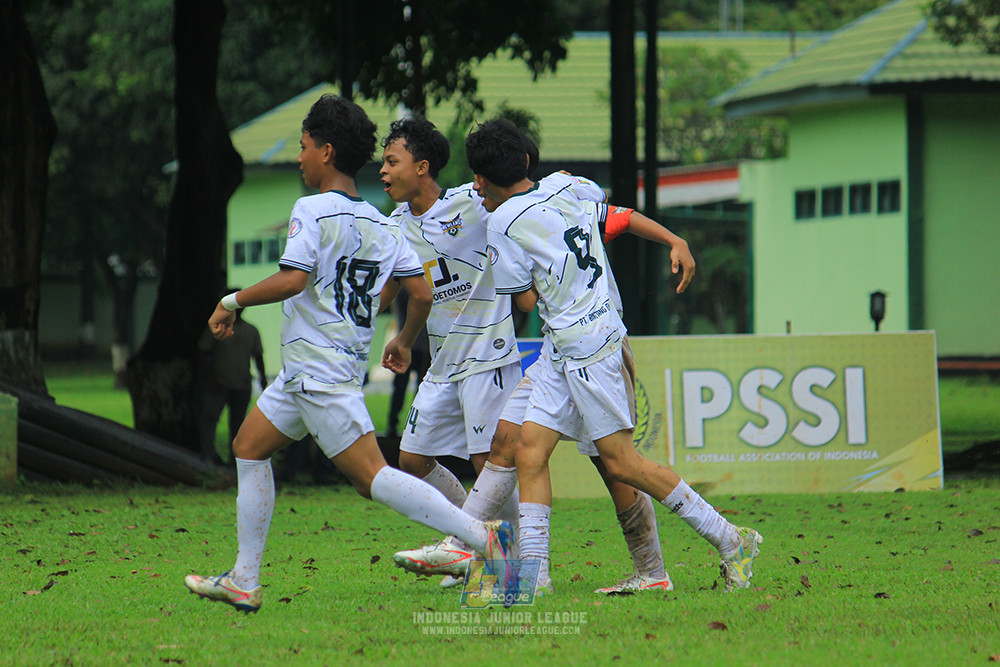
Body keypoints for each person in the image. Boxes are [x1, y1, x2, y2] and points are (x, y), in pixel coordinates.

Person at [183, 95, 515, 614]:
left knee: (373, 479)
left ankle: (481, 539)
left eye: (303, 147)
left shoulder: (312, 209)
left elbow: (295, 279)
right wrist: (401, 338)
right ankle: (245, 579)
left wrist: (232, 300)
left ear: (326, 151)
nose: (299, 157)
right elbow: (422, 293)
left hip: (320, 370)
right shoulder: (383, 224)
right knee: (249, 447)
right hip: (307, 370)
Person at [468, 118, 762, 594]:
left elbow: (523, 301)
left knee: (622, 464)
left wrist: (522, 268)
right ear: (525, 161)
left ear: (484, 178)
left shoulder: (500, 222)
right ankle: (534, 579)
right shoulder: (567, 186)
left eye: (477, 177)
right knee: (529, 450)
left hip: (587, 349)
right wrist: (673, 239)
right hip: (571, 346)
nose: (476, 185)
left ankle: (731, 539)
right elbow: (617, 217)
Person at [387, 120, 682, 593]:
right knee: (514, 450)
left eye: (390, 161)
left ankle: (700, 549)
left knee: (611, 465)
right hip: (556, 352)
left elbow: (610, 216)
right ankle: (512, 567)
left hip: (586, 347)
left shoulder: (527, 199)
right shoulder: (405, 223)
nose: (383, 171)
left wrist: (672, 240)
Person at [196, 302, 266, 465]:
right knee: (210, 419)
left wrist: (262, 377)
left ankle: (236, 460)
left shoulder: (251, 330)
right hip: (218, 384)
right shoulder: (216, 328)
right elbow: (202, 352)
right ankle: (208, 456)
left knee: (239, 424)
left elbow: (258, 355)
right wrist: (210, 378)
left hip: (242, 384)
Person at [385, 288, 430, 438]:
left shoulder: (399, 288)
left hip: (410, 344)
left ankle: (394, 424)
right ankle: (415, 425)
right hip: (418, 345)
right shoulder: (412, 289)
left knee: (401, 387)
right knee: (418, 389)